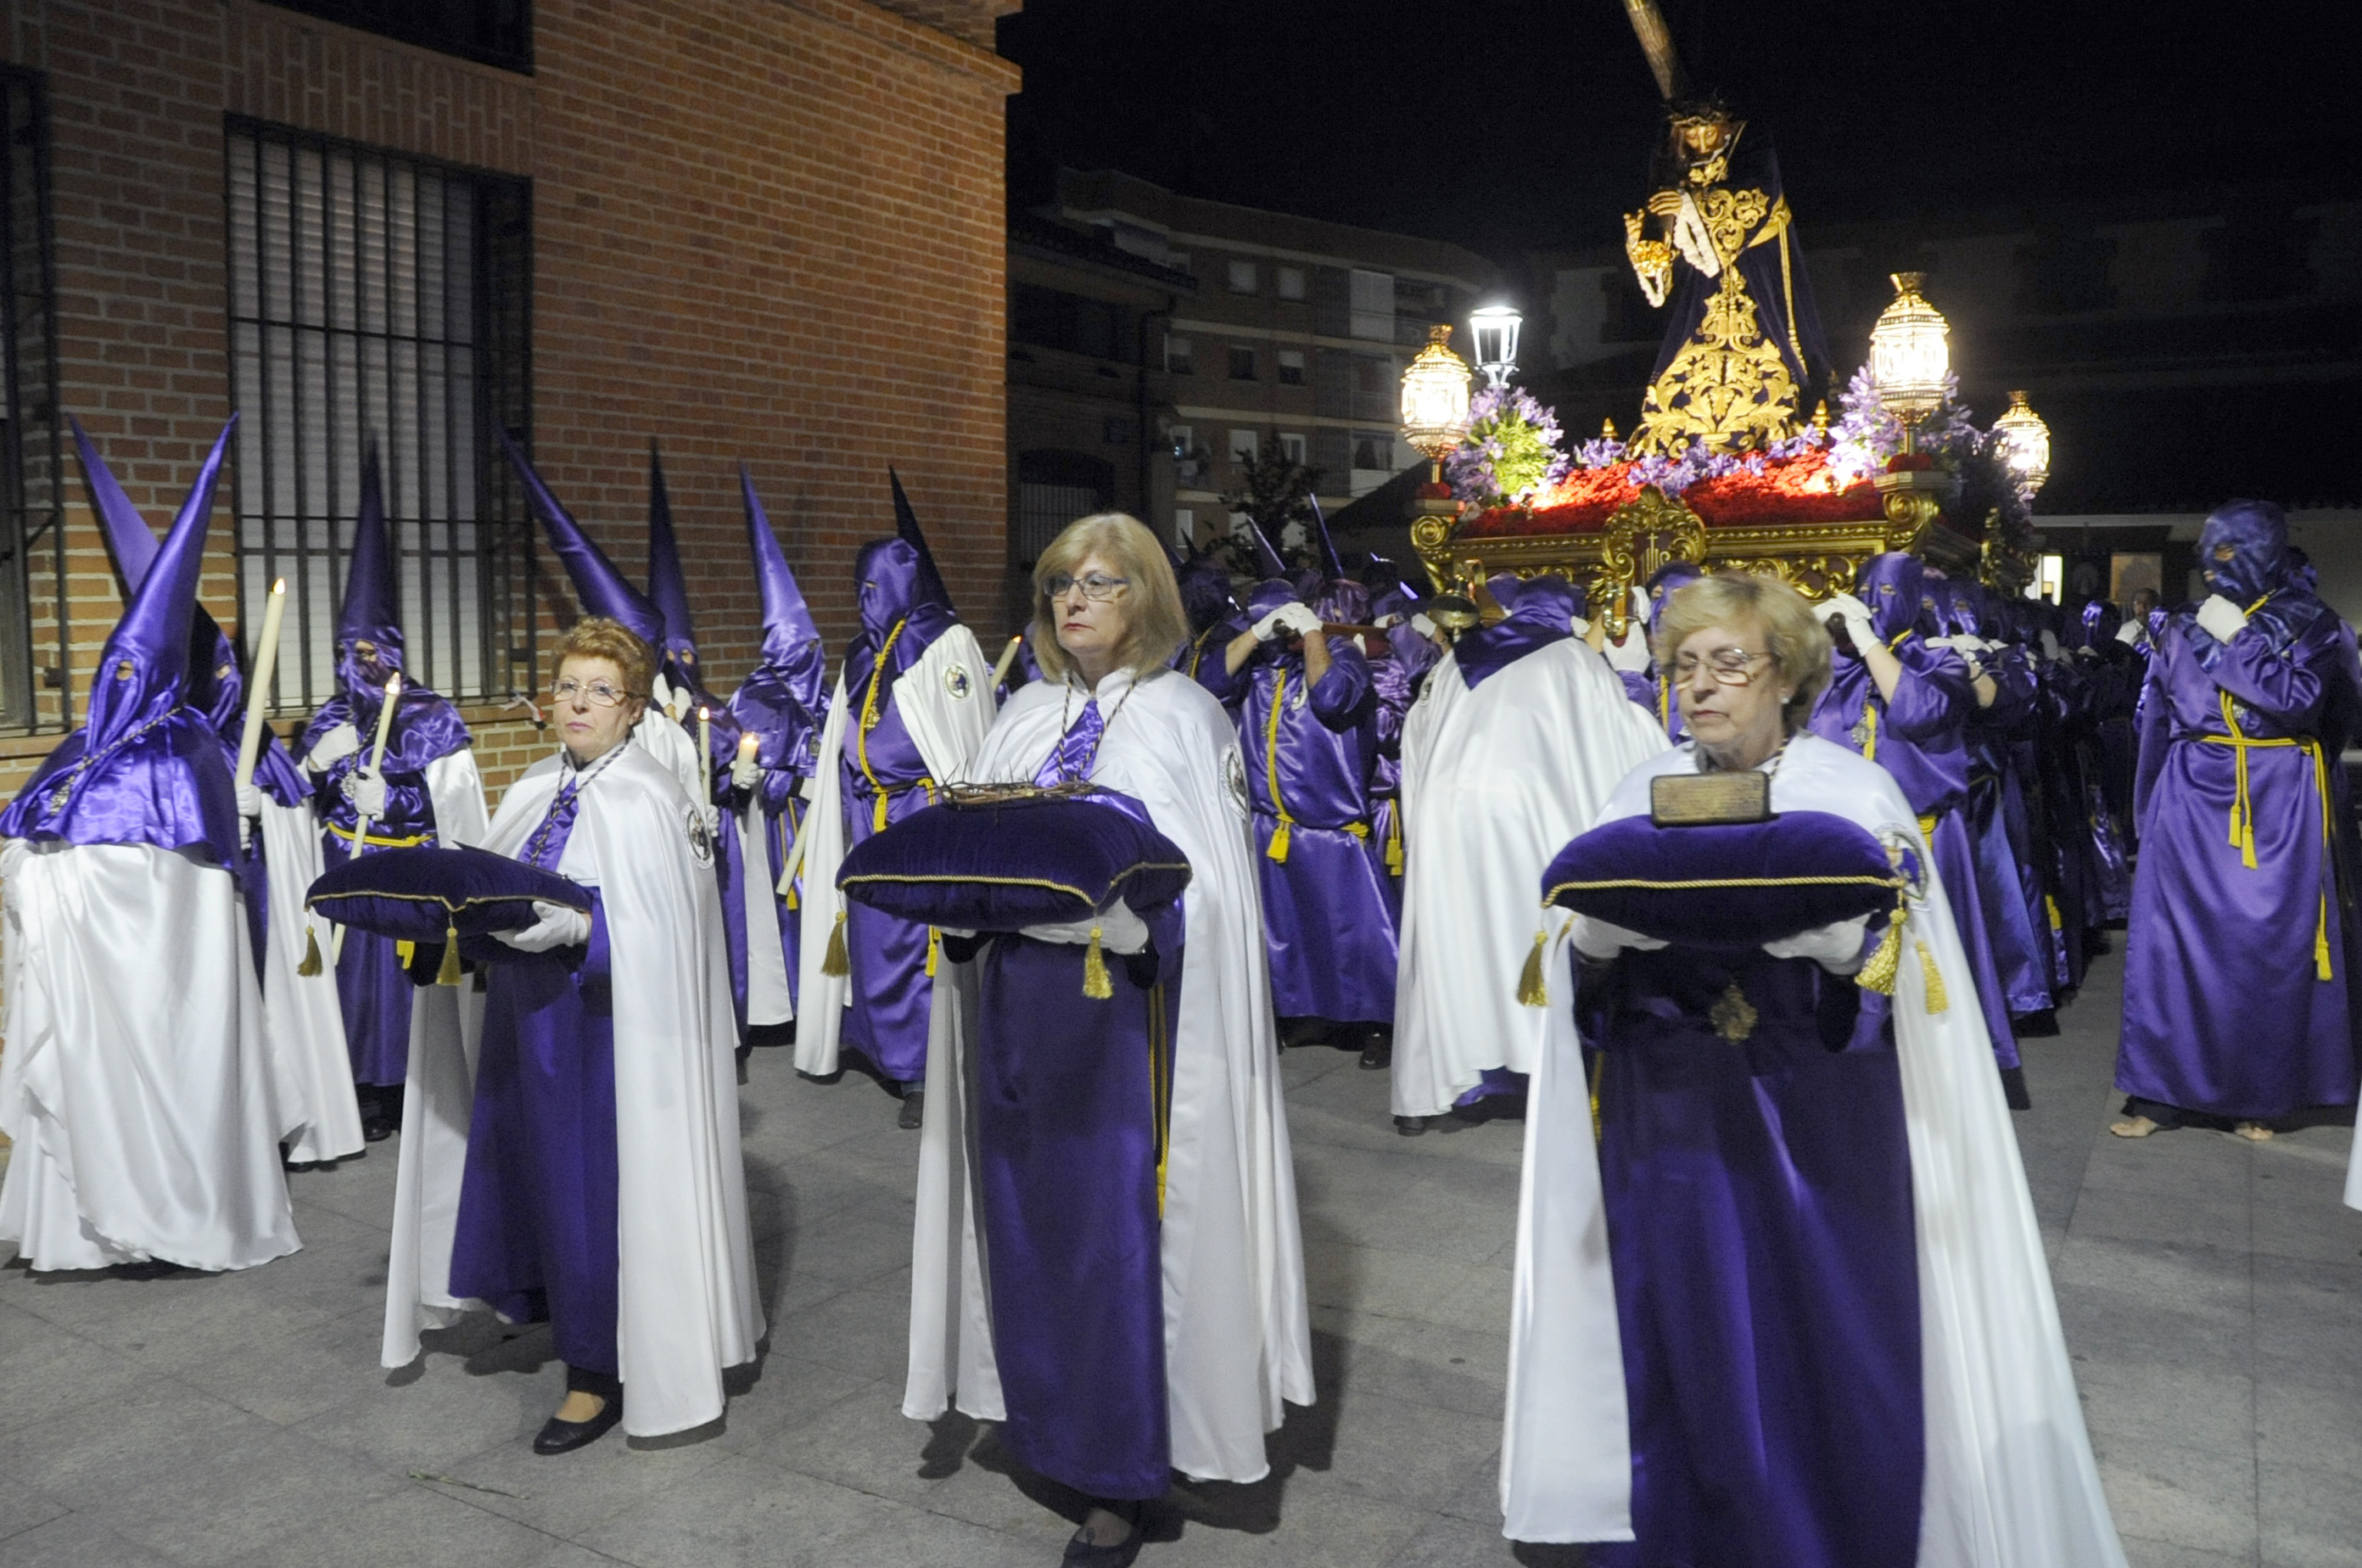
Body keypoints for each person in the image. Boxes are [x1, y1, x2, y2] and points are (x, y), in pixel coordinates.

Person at [1503, 570, 2126, 1567]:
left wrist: (1839, 943)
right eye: (1683, 667)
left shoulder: (1849, 791)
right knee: (1684, 1319)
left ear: (1786, 677)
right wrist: (1596, 943)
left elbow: (1903, 975)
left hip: (1819, 1114)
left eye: (1729, 664)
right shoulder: (1632, 793)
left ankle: (1828, 1534)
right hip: (1671, 1111)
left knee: (1823, 1326)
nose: (1700, 687)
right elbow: (1572, 968)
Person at [906, 512, 1313, 1568]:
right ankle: (1043, 1415)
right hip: (1018, 1017)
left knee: (1116, 1238)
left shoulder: (1184, 716)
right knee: (1025, 1222)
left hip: (1136, 1030)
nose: (1074, 601)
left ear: (1148, 600)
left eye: (1101, 583)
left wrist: (1132, 920)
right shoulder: (1022, 715)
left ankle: (1122, 1474)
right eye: (1058, 586)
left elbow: (1217, 891)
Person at [441, 616, 763, 1453]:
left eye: (600, 691)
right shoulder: (533, 784)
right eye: (567, 687)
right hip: (527, 1022)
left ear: (633, 709)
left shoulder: (655, 796)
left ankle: (597, 1374)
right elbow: (487, 889)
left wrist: (586, 931)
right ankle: (551, 1307)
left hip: (609, 1039)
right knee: (533, 1179)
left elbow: (678, 935)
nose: (578, 703)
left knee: (596, 1197)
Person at [0, 421, 302, 1272]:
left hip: (165, 982)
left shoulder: (187, 748)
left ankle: (179, 1207)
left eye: (136, 671)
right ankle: (84, 1231)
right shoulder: (83, 747)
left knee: (178, 1072)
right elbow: (30, 840)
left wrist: (235, 814)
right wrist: (40, 878)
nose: (117, 685)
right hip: (93, 979)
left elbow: (187, 892)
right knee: (94, 1085)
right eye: (112, 669)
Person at [70, 417, 363, 1168]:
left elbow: (299, 830)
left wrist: (270, 817)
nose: (228, 681)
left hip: (266, 917)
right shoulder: (148, 752)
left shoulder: (258, 744)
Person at [2113, 501, 2362, 1139]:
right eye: (2210, 550)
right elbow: (2158, 721)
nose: (2215, 564)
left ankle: (2261, 1094)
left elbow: (2303, 704)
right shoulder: (2179, 625)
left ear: (2267, 552)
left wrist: (2237, 638)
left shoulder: (2312, 622)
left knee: (2264, 949)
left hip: (2278, 798)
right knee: (2174, 948)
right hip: (2190, 796)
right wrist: (2146, 812)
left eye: (2232, 550)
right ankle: (2159, 1095)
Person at [1391, 574, 1669, 1134]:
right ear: (1566, 617)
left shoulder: (1458, 657)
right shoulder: (1574, 659)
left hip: (1448, 813)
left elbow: (1415, 734)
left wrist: (1423, 816)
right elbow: (1625, 747)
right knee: (1527, 938)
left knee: (1453, 944)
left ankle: (1438, 1086)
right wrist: (1633, 678)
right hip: (1526, 815)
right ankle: (1537, 1070)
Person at [798, 473, 995, 1126]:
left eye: (874, 590)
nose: (862, 601)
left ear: (904, 589)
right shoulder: (861, 653)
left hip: (920, 813)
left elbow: (964, 735)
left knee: (919, 944)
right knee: (872, 936)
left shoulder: (945, 645)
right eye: (857, 589)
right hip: (866, 816)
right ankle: (881, 1049)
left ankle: (922, 1073)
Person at [300, 456, 489, 1141]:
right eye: (352, 653)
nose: (364, 663)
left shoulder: (432, 717)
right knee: (349, 988)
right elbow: (302, 799)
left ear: (398, 652)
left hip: (407, 871)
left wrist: (401, 795)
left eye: (376, 651)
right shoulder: (327, 718)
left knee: (401, 998)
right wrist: (319, 770)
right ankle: (355, 1092)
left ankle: (412, 1090)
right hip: (347, 867)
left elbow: (462, 806)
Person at [1811, 552, 2027, 1106]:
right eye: (1867, 591)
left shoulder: (1938, 662)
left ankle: (1948, 1085)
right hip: (1845, 844)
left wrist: (1869, 643)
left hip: (1926, 840)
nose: (1875, 603)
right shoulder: (1835, 667)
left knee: (1936, 968)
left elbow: (1917, 712)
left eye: (1888, 594)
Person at [1222, 574, 1397, 1052]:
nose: (1276, 636)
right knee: (1289, 937)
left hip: (1332, 830)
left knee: (1356, 937)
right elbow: (1208, 680)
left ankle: (1380, 1023)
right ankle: (1308, 1014)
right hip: (1272, 828)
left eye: (1280, 626)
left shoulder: (1345, 659)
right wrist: (1255, 636)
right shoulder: (1257, 671)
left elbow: (1332, 697)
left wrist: (1315, 633)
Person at [724, 464, 830, 1053]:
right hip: (777, 831)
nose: (810, 657)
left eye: (813, 646)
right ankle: (778, 1008)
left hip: (819, 828)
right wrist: (782, 777)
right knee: (779, 915)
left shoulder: (825, 692)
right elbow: (750, 764)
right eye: (799, 649)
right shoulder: (757, 696)